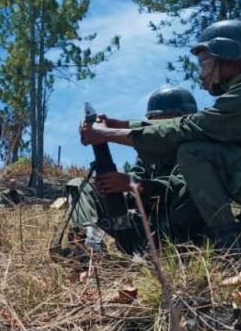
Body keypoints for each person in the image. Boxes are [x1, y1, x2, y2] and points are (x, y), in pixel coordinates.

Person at [80, 20, 241, 277]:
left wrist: (109, 133)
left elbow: (189, 128)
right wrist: (120, 125)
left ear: (230, 59)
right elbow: (187, 124)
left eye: (206, 62)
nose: (202, 72)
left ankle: (231, 246)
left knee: (195, 151)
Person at [66, 86, 206, 254]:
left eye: (167, 122)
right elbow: (132, 185)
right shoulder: (148, 153)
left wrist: (133, 184)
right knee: (79, 185)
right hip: (141, 228)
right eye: (154, 122)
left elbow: (182, 188)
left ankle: (155, 252)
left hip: (182, 236)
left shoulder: (197, 150)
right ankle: (89, 242)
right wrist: (108, 189)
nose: (158, 129)